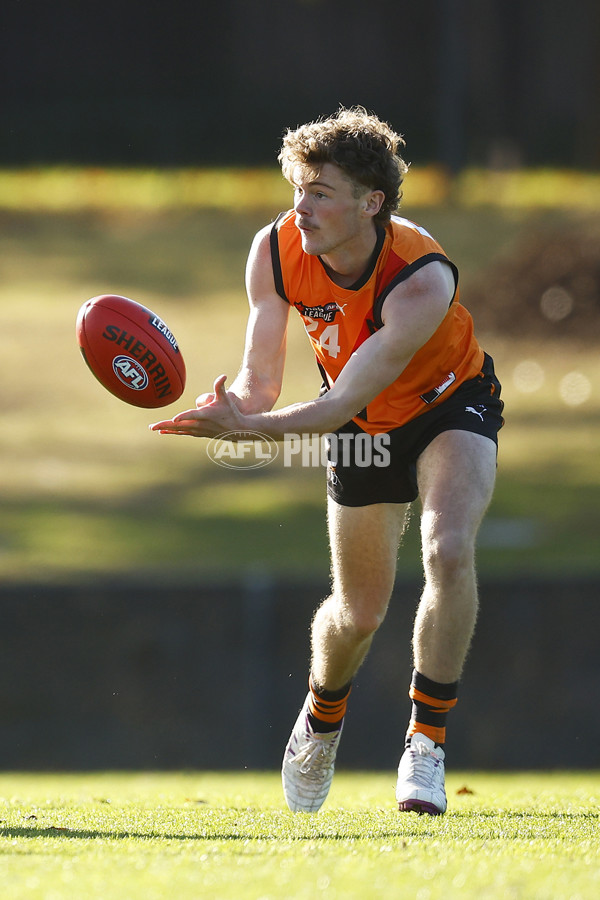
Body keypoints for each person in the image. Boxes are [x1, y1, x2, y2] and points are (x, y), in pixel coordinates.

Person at [151, 106, 504, 815]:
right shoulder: (276, 249)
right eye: (297, 189)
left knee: (448, 549)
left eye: (320, 192)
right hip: (362, 423)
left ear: (371, 203)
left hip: (447, 405)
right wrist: (234, 410)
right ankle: (320, 718)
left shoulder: (420, 279)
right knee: (358, 613)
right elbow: (263, 380)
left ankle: (425, 746)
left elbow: (337, 405)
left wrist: (252, 435)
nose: (300, 207)